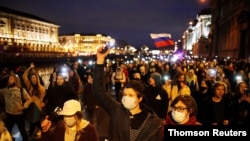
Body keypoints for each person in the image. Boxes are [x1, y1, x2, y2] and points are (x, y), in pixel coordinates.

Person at [93, 47, 163, 141]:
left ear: (139, 99)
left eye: (130, 95)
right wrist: (100, 61)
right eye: (125, 95)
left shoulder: (152, 122)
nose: (126, 98)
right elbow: (98, 91)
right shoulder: (116, 110)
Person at [0, 73, 32, 141]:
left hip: (19, 115)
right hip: (9, 114)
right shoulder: (4, 90)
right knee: (7, 131)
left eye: (11, 79)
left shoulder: (20, 90)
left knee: (22, 131)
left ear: (15, 80)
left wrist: (23, 106)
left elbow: (29, 99)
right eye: (8, 79)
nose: (9, 80)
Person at [22, 62, 46, 138]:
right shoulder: (29, 85)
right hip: (32, 106)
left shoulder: (41, 88)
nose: (33, 79)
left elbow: (43, 97)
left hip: (38, 107)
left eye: (35, 78)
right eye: (32, 78)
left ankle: (31, 134)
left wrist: (42, 103)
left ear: (37, 78)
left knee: (34, 121)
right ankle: (43, 130)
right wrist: (30, 68)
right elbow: (24, 76)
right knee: (35, 121)